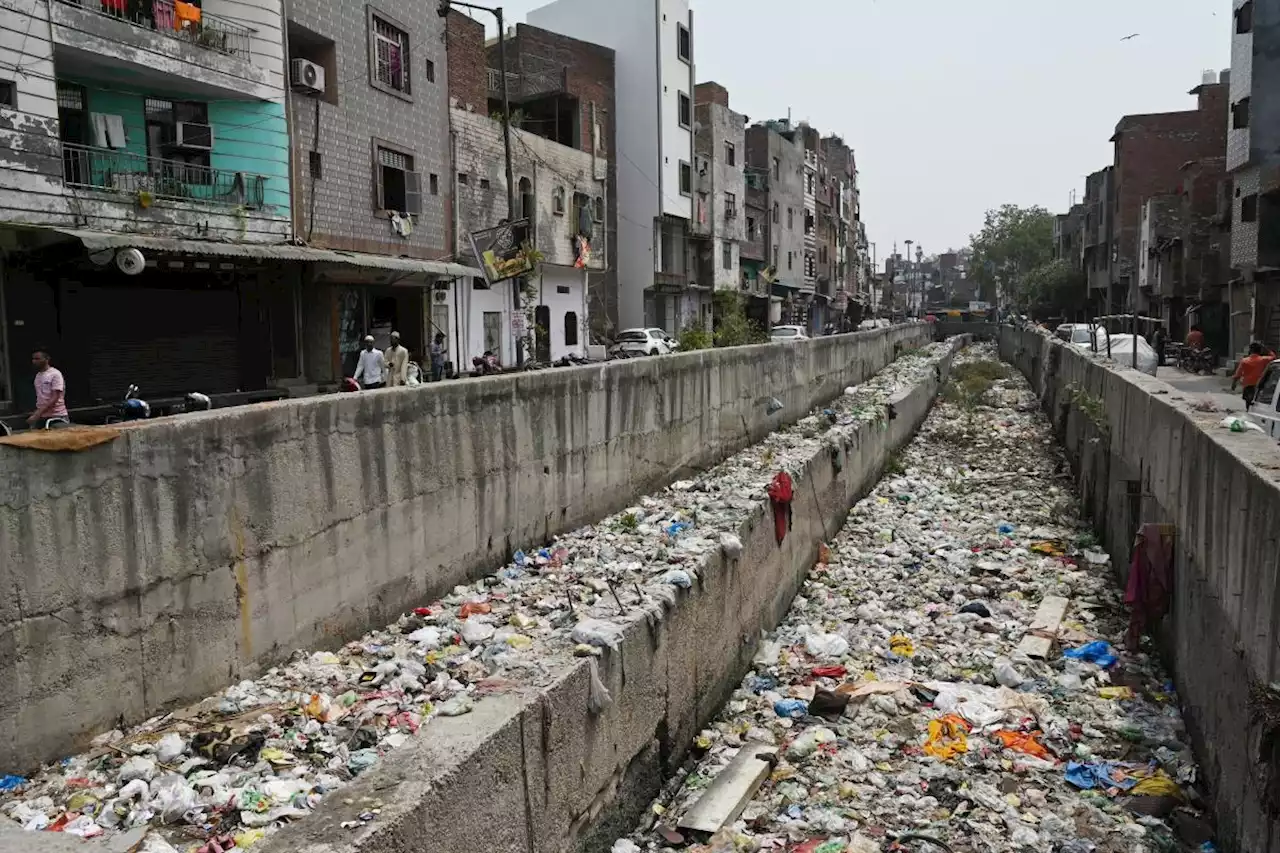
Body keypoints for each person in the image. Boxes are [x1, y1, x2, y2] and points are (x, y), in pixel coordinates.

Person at [28, 347, 70, 429]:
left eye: (37, 359)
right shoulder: (38, 375)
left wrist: (37, 414)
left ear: (47, 359)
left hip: (56, 416)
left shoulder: (55, 374)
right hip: (42, 416)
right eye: (33, 359)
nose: (34, 361)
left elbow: (54, 398)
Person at [1231, 342, 1276, 408]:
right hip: (1259, 385)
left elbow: (1238, 374)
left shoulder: (1244, 361)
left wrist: (1234, 384)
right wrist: (1266, 349)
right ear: (1260, 350)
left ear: (1250, 350)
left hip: (1248, 386)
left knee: (1248, 404)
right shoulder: (1263, 359)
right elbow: (1274, 357)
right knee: (1258, 404)